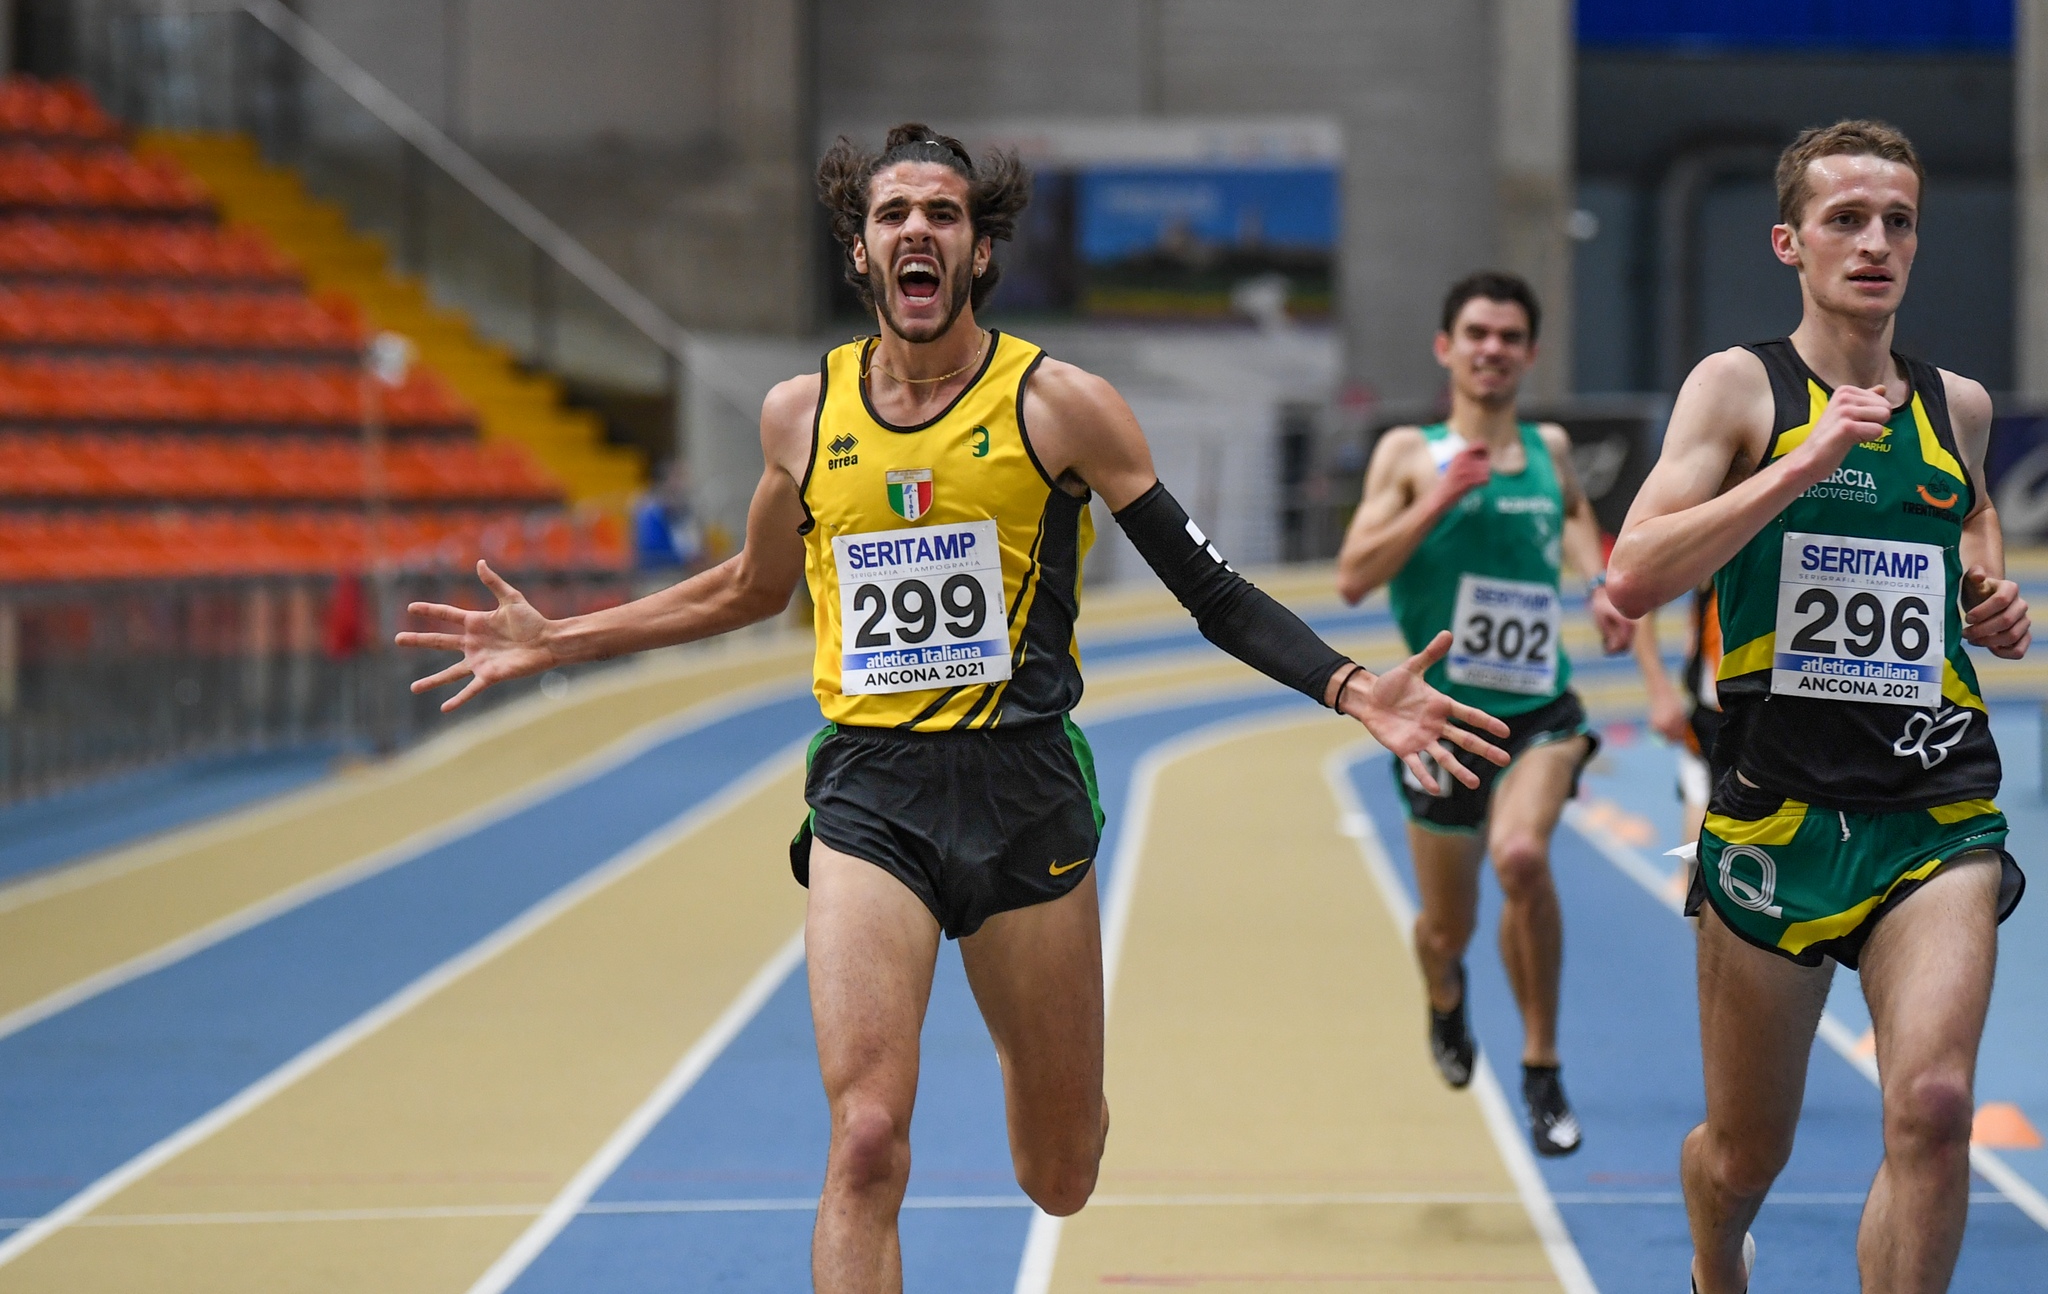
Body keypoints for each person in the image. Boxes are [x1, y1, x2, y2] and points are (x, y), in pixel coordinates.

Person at [398, 123, 1509, 1294]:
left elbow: (1211, 590)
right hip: (869, 793)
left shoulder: (1060, 405)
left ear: (979, 251)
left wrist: (1349, 686)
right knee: (866, 1140)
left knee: (1059, 1171)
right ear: (859, 249)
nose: (916, 231)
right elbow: (751, 588)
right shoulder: (800, 415)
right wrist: (561, 638)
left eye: (942, 213)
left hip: (1023, 792)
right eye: (892, 214)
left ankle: (1060, 1093)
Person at [1606, 119, 2030, 1294]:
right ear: (1787, 242)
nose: (1874, 243)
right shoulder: (1738, 387)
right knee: (1744, 1154)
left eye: (1897, 221)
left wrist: (1984, 590)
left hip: (1932, 803)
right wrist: (1797, 465)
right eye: (1844, 220)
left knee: (1932, 1105)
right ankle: (1713, 1259)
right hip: (1776, 810)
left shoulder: (1955, 403)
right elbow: (1631, 570)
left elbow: (1967, 510)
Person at [1336, 271, 1634, 1157]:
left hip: (1540, 709)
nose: (1492, 349)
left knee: (1522, 857)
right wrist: (1439, 498)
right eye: (1476, 333)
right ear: (1446, 348)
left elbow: (1575, 514)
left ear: (1530, 353)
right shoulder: (1408, 452)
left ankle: (1541, 1067)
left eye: (1509, 337)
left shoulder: (1549, 447)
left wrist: (1598, 581)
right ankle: (1445, 993)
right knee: (1445, 929)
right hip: (1437, 723)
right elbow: (1353, 577)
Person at [1633, 581, 1724, 845]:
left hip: (1780, 724)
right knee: (1697, 855)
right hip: (1712, 727)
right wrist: (1660, 693)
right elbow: (1640, 598)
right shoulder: (1715, 559)